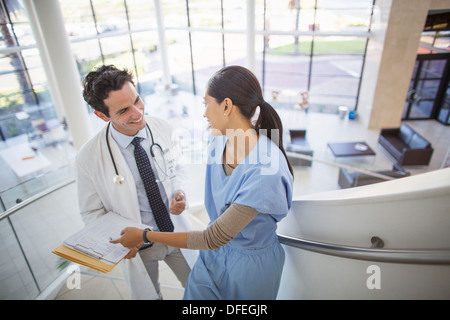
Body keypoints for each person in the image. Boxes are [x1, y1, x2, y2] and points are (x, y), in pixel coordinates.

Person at [112, 65, 293, 300]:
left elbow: (212, 237)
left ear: (226, 106)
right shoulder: (217, 140)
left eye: (206, 103)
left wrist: (144, 235)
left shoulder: (264, 171)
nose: (204, 113)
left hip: (249, 267)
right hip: (214, 256)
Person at [77, 65, 197, 300]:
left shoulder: (161, 127)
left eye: (137, 100)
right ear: (102, 116)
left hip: (175, 232)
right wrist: (116, 243)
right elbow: (91, 212)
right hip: (137, 248)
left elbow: (178, 168)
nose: (137, 113)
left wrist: (179, 191)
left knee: (201, 289)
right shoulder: (88, 157)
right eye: (123, 110)